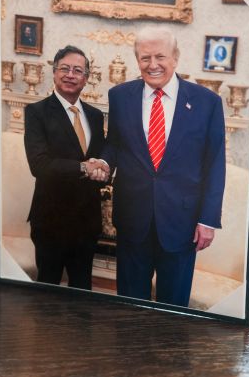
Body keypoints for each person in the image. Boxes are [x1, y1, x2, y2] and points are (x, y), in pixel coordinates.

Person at [95, 28, 226, 307]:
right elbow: (115, 144)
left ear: (175, 57)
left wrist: (208, 220)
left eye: (160, 56)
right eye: (145, 58)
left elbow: (215, 164)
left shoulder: (207, 102)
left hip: (182, 222)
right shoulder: (120, 96)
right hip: (132, 219)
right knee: (130, 306)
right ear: (136, 60)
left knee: (174, 308)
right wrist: (104, 161)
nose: (152, 65)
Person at [24, 45, 107, 290]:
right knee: (47, 293)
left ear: (86, 78)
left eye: (78, 70)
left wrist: (104, 168)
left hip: (87, 220)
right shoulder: (37, 112)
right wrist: (83, 167)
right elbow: (39, 165)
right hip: (51, 220)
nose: (70, 75)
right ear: (54, 72)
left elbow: (100, 158)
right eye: (65, 68)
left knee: (82, 292)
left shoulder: (94, 115)